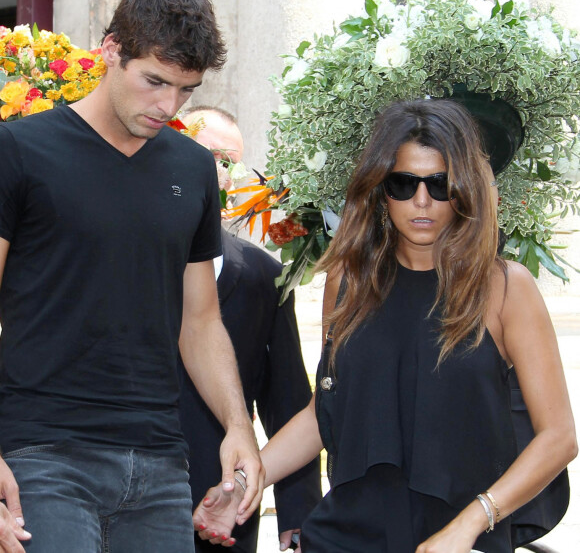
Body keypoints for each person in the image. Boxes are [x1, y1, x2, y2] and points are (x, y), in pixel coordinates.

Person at [192, 98, 577, 553]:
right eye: (403, 183)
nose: (421, 201)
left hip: (457, 541)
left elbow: (559, 438)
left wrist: (471, 523)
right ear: (380, 189)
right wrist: (241, 483)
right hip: (347, 536)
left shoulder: (505, 288)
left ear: (465, 190)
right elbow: (325, 413)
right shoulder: (348, 281)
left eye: (440, 184)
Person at [0, 0, 265, 553]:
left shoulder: (194, 169)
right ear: (111, 49)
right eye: (155, 82)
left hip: (161, 466)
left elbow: (200, 322)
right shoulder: (18, 150)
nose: (168, 107)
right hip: (42, 456)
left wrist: (239, 429)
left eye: (186, 91)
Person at [177, 106, 321, 553]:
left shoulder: (263, 275)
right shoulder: (120, 254)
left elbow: (289, 399)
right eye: (210, 155)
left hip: (223, 502)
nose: (219, 173)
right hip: (120, 495)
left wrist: (298, 518)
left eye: (230, 162)